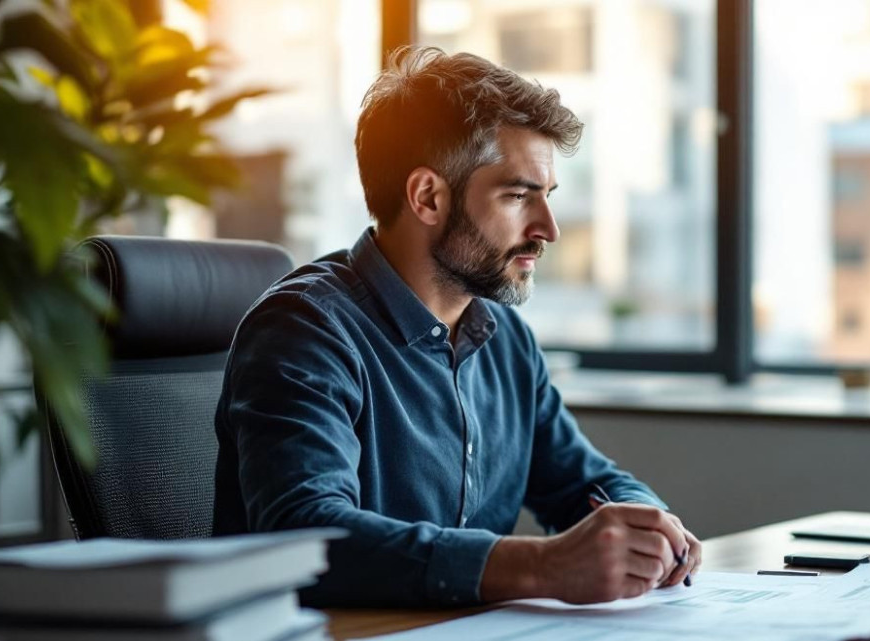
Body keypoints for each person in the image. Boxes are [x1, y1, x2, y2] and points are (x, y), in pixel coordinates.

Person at [212, 47, 701, 607]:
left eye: (548, 198)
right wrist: (545, 565)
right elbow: (308, 537)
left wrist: (648, 526)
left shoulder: (504, 338)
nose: (549, 229)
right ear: (428, 197)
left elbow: (580, 482)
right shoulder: (304, 331)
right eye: (518, 196)